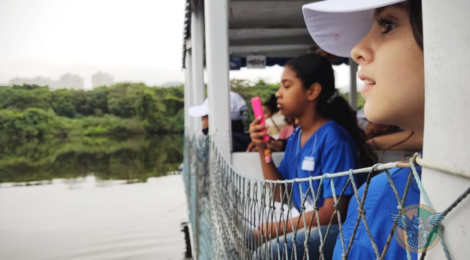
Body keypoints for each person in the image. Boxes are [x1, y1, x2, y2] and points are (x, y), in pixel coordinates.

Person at [303, 0, 425, 258]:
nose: (356, 49)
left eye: (388, 25)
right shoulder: (294, 137)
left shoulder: (383, 197)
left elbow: (330, 212)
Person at [249, 54, 376, 259]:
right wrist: (262, 147)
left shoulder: (334, 139)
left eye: (287, 86)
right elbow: (281, 195)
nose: (278, 94)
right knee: (245, 236)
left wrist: (277, 228)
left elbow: (334, 213)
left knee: (268, 252)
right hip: (307, 223)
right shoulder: (296, 137)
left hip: (340, 231)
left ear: (312, 91)